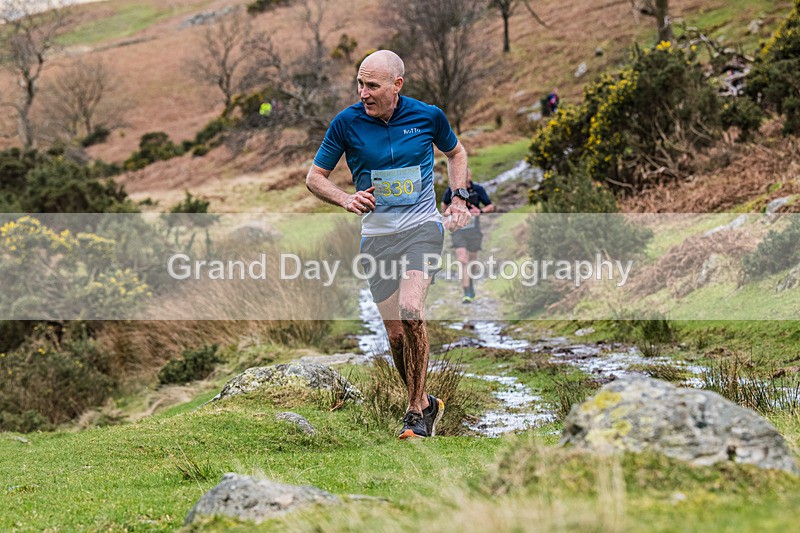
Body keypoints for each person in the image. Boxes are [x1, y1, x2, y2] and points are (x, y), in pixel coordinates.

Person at [306, 50, 472, 439]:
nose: (363, 92)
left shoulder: (427, 116)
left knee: (411, 308)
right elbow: (315, 178)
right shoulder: (346, 123)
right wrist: (346, 199)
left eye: (372, 85)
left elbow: (456, 153)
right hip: (377, 237)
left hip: (422, 228)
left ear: (397, 85)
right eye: (360, 84)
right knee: (396, 334)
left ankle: (415, 411)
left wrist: (459, 195)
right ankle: (426, 401)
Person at [441, 170, 495, 303]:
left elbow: (490, 206)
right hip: (458, 230)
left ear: (470, 177)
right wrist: (446, 218)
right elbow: (444, 203)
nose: (464, 178)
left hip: (474, 231)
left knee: (472, 262)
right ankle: (467, 293)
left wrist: (480, 211)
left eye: (466, 176)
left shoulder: (478, 190)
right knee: (462, 259)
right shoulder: (451, 190)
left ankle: (470, 283)